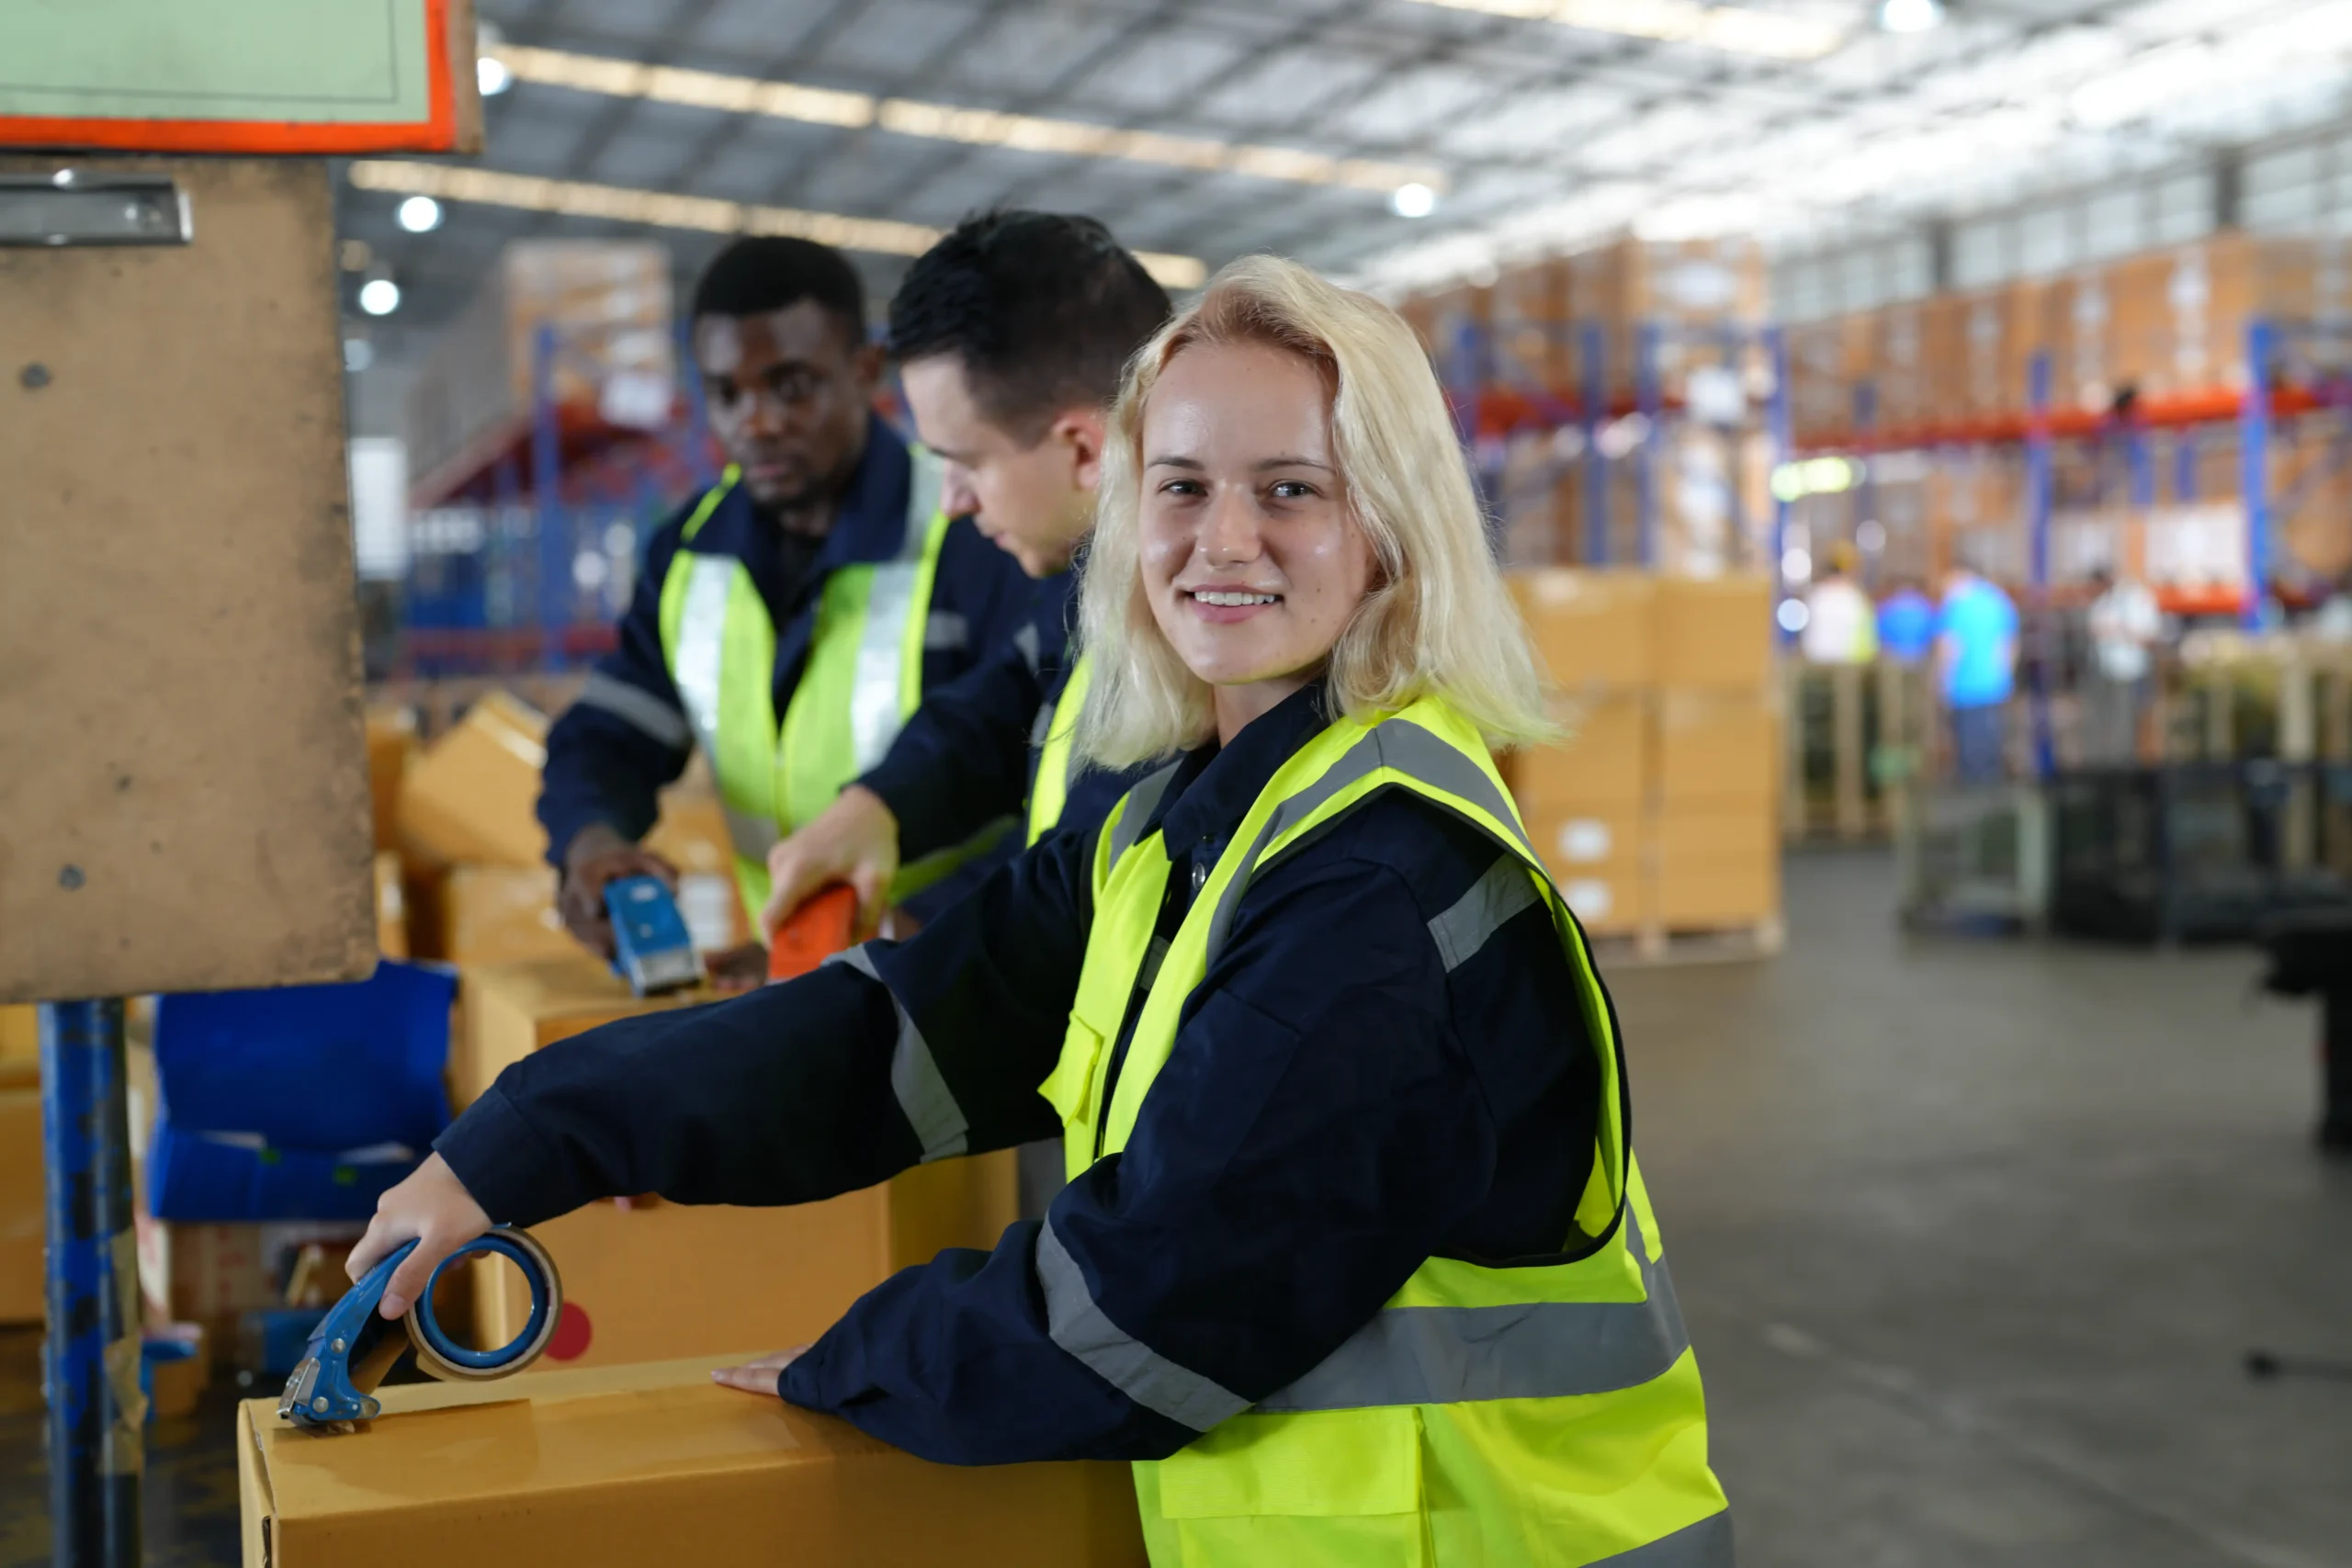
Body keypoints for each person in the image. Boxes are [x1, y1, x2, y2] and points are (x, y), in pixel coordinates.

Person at [353, 256, 1733, 1564]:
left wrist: (859, 1357)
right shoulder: (1179, 818)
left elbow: (1141, 1306)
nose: (1222, 539)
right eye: (1182, 485)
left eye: (1292, 489)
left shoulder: (1377, 888)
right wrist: (531, 1135)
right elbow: (895, 1029)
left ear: (1389, 522)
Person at [538, 236, 1032, 979]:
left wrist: (908, 933)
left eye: (791, 386)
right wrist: (594, 844)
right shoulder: (688, 552)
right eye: (728, 394)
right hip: (801, 980)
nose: (757, 422)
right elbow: (610, 733)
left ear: (866, 371)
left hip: (968, 976)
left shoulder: (977, 533)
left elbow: (1057, 798)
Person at [757, 212, 1171, 944]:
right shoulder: (1108, 586)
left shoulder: (1198, 657)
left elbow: (1069, 894)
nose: (951, 500)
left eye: (967, 461)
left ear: (1082, 450)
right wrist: (878, 808)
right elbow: (1006, 695)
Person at [1938, 561, 2018, 784]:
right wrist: (2006, 677)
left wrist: (1942, 682)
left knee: (1969, 748)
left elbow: (1950, 647)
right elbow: (2008, 645)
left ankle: (1972, 799)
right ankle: (1992, 792)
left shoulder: (1956, 605)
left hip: (1965, 686)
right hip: (1995, 685)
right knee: (1991, 742)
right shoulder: (1999, 601)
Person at [2083, 566, 2161, 764]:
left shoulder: (2137, 599)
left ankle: (2124, 765)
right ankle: (2104, 763)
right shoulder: (2104, 601)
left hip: (2129, 671)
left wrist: (2120, 631)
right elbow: (2094, 628)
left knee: (2125, 723)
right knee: (2102, 721)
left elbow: (2149, 636)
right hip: (2104, 670)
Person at [1801, 541, 1877, 664]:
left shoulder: (1814, 596)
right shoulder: (1857, 600)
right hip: (1850, 671)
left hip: (1816, 670)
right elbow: (1868, 646)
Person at [1876, 577, 1937, 665]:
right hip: (1920, 657)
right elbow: (1934, 634)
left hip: (1893, 656)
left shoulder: (1889, 605)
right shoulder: (1926, 607)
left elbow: (1879, 632)